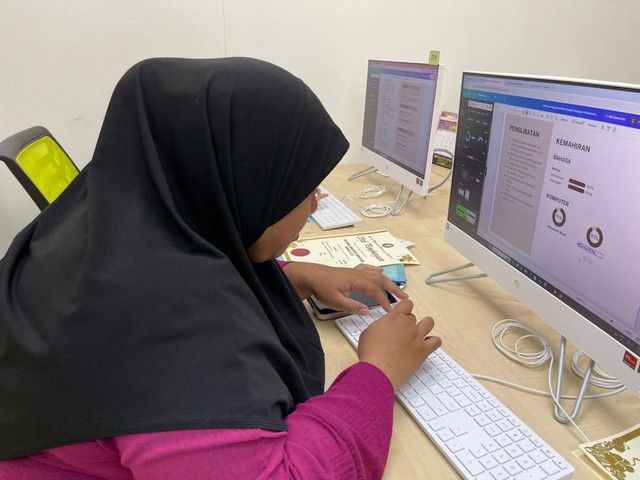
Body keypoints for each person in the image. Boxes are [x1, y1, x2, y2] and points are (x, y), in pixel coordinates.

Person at [0, 57, 441, 479]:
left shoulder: (110, 227)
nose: (313, 204)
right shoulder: (170, 338)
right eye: (303, 185)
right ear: (250, 185)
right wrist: (379, 372)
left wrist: (297, 278)